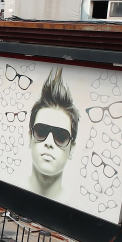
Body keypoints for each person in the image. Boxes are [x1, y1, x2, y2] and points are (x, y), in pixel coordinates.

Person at [26, 68, 78, 201]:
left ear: (72, 148)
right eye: (41, 131)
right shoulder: (11, 185)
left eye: (61, 136)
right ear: (29, 137)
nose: (49, 143)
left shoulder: (74, 203)